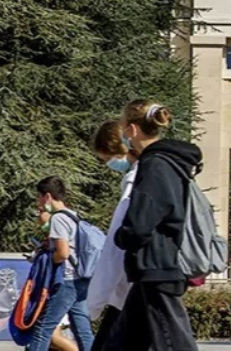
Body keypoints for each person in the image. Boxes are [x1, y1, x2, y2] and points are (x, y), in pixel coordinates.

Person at [113, 100, 201, 351]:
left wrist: (123, 236)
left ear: (132, 129)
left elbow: (143, 219)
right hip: (156, 265)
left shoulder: (156, 164)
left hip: (157, 265)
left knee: (173, 341)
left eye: (122, 128)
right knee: (122, 341)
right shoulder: (171, 163)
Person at [26, 177, 95, 351]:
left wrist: (47, 260)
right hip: (80, 279)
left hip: (66, 280)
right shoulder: (74, 216)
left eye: (39, 197)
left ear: (47, 196)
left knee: (43, 328)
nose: (38, 201)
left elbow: (63, 253)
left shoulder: (58, 219)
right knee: (82, 329)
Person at [86, 121, 138, 351]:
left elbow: (115, 248)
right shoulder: (158, 174)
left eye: (107, 159)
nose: (109, 165)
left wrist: (94, 303)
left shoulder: (134, 181)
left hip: (130, 292)